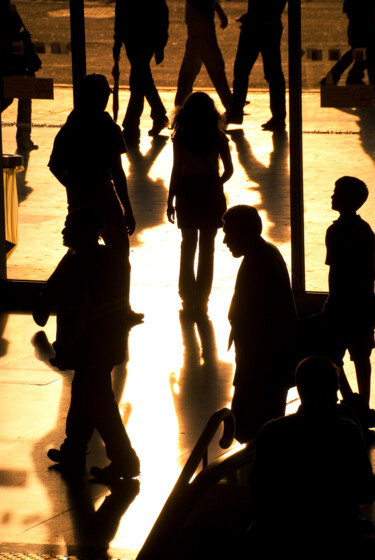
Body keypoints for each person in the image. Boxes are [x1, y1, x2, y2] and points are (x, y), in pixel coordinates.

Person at [33, 208, 140, 484]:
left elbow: (75, 310)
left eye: (69, 226)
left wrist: (65, 348)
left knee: (100, 405)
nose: (63, 231)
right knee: (84, 397)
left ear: (82, 232)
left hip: (88, 346)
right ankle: (74, 451)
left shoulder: (78, 262)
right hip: (107, 344)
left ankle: (125, 460)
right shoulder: (111, 258)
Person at [248, 356, 375, 557]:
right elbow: (366, 492)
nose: (336, 397)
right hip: (338, 537)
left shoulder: (271, 432)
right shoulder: (345, 432)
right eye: (335, 389)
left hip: (280, 539)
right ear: (331, 391)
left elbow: (258, 490)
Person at [48, 73, 143, 326]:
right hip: (105, 197)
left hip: (80, 200)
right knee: (120, 256)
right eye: (103, 95)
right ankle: (121, 307)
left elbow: (55, 165)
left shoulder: (70, 128)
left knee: (77, 254)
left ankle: (51, 298)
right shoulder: (108, 128)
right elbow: (119, 173)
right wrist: (128, 210)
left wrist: (73, 186)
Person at [223, 205, 296, 443]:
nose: (225, 241)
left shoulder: (258, 262)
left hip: (260, 362)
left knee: (253, 424)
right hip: (265, 360)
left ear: (245, 233)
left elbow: (260, 320)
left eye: (229, 233)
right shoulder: (266, 255)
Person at [167, 92, 233, 317]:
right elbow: (229, 170)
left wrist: (170, 200)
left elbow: (176, 171)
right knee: (208, 249)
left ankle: (187, 295)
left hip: (187, 193)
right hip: (210, 193)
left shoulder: (181, 138)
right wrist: (216, 182)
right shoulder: (218, 137)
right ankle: (202, 298)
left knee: (188, 246)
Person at [322, 176, 375, 411]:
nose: (332, 196)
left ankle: (348, 398)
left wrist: (330, 304)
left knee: (331, 355)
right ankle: (363, 402)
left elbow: (335, 273)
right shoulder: (365, 231)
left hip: (341, 304)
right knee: (362, 357)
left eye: (336, 193)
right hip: (363, 303)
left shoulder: (335, 232)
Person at [112, 0, 169, 145]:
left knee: (139, 80)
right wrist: (160, 44)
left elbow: (120, 16)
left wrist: (117, 42)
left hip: (134, 37)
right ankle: (156, 116)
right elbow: (162, 12)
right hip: (146, 36)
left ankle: (133, 126)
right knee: (141, 79)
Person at [226, 0, 287, 131]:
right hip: (266, 25)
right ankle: (278, 117)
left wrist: (255, 17)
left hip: (255, 27)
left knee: (242, 71)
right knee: (273, 73)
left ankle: (236, 112)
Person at [174, 0, 232, 113]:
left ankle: (179, 109)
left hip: (199, 27)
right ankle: (231, 108)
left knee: (190, 73)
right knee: (212, 71)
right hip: (201, 27)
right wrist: (218, 11)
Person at [0, 0, 41, 152]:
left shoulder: (9, 8)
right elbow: (20, 34)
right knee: (21, 98)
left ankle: (24, 138)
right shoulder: (9, 9)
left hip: (12, 61)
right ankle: (24, 138)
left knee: (12, 97)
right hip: (13, 62)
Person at [321, 0, 375, 86]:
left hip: (360, 28)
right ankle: (352, 77)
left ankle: (346, 77)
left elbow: (350, 9)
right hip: (363, 29)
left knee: (361, 53)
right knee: (365, 52)